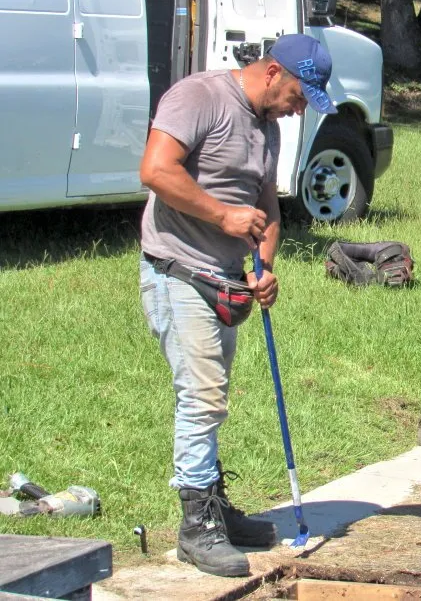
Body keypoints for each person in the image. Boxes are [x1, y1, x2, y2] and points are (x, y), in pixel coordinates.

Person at [139, 34, 338, 577]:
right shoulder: (198, 97)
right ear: (272, 71)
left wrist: (264, 266)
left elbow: (266, 202)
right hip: (178, 269)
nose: (300, 109)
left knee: (211, 396)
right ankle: (196, 525)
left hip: (227, 279)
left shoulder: (267, 128)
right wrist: (222, 217)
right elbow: (156, 170)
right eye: (300, 95)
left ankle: (215, 506)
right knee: (201, 397)